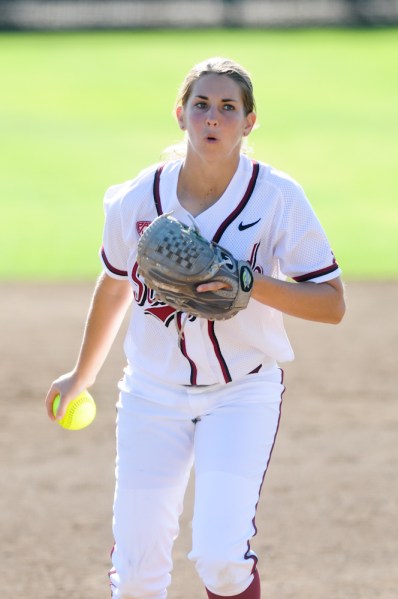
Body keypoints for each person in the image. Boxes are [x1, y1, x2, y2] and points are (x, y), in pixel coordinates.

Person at [45, 57, 345, 599]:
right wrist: (81, 376)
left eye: (228, 108)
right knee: (136, 575)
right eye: (202, 105)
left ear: (249, 123)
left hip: (242, 392)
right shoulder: (135, 198)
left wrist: (248, 281)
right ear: (180, 114)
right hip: (151, 395)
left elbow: (331, 304)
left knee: (221, 559)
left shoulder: (278, 198)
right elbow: (114, 285)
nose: (214, 117)